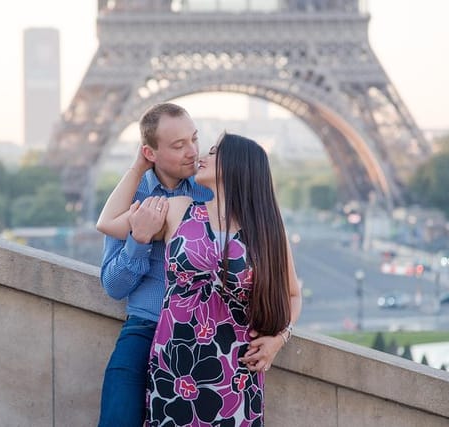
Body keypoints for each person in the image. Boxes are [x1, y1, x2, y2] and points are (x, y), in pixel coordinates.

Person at [98, 132, 302, 425]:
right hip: (174, 362)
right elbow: (107, 223)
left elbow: (292, 294)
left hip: (234, 368)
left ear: (236, 165)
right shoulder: (178, 210)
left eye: (215, 152)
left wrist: (279, 339)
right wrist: (138, 167)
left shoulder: (269, 232)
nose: (201, 155)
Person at [97, 103, 213, 427]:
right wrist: (140, 240)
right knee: (117, 417)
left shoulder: (211, 190)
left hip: (200, 332)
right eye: (178, 146)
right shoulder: (130, 197)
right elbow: (113, 286)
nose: (192, 151)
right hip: (146, 327)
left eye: (194, 139)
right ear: (150, 152)